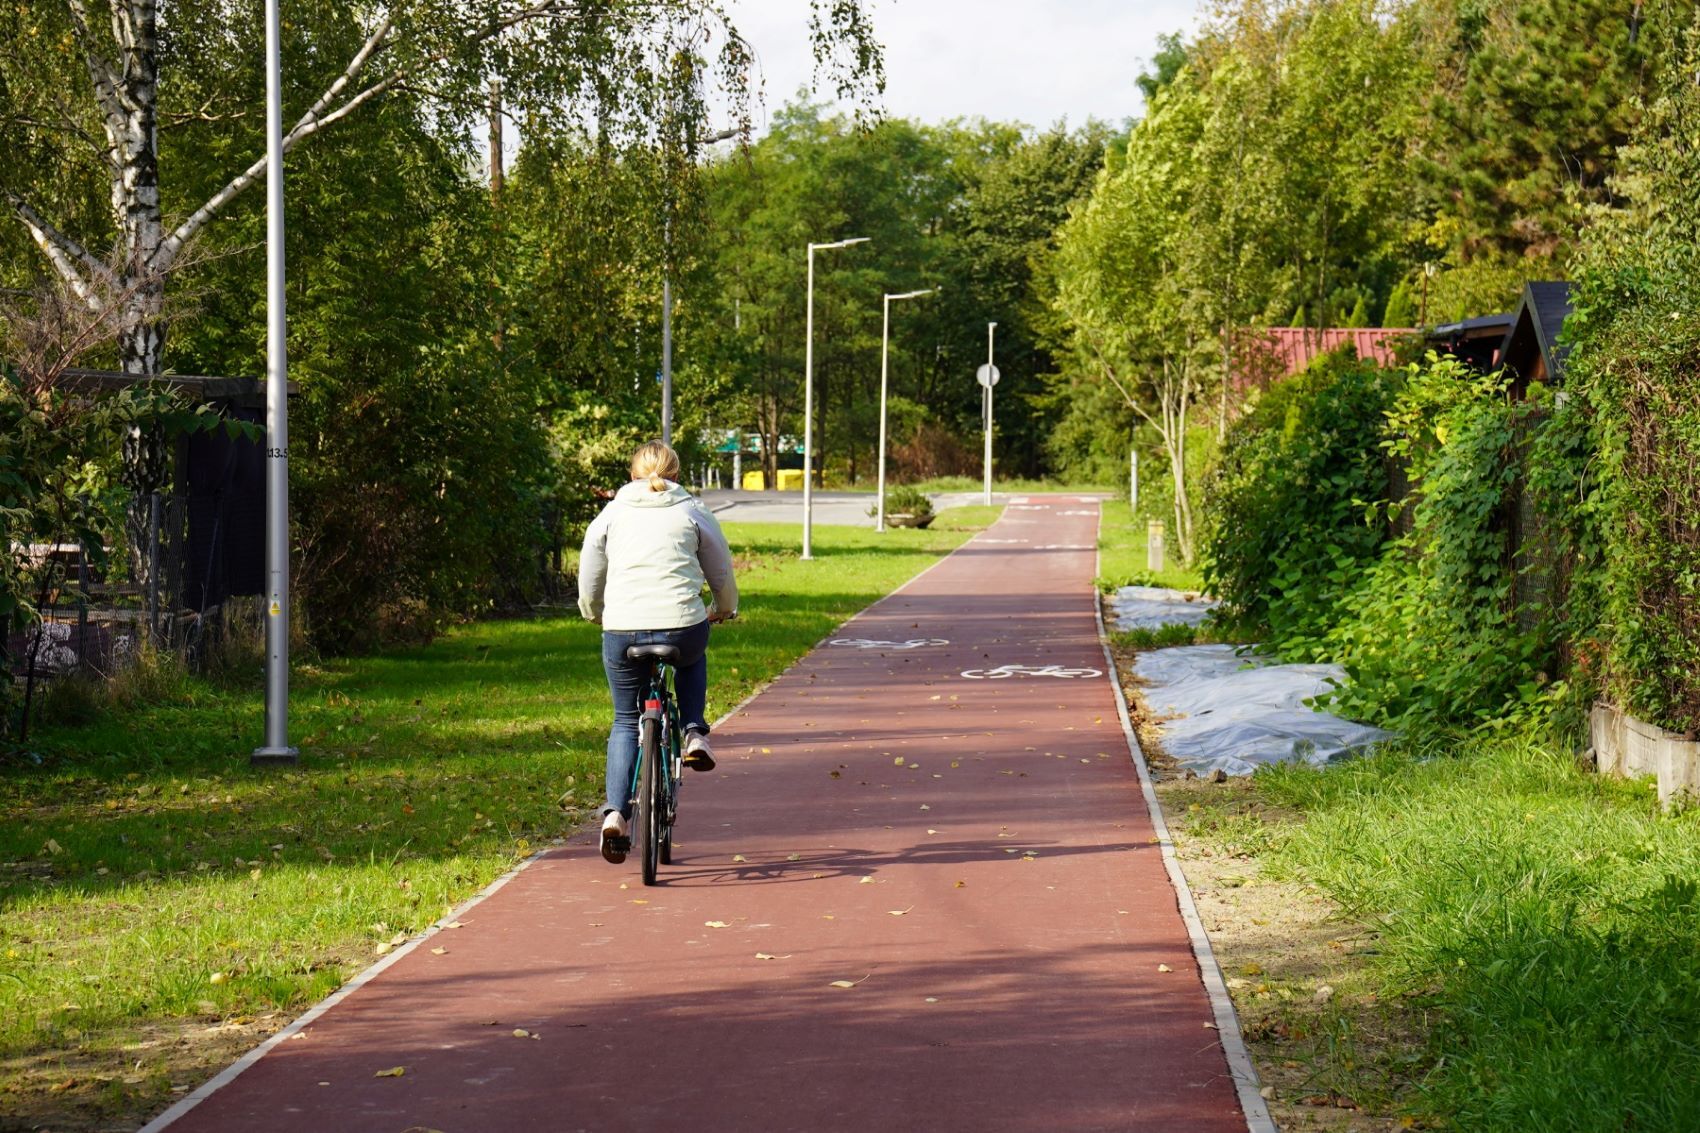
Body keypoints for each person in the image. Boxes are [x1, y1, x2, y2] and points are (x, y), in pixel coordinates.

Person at [578, 441, 738, 864]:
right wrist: (724, 609)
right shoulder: (692, 510)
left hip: (622, 629)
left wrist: (593, 612)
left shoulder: (611, 514)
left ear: (632, 475)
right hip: (681, 624)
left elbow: (591, 568)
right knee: (691, 654)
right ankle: (693, 732)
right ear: (677, 475)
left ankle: (616, 814)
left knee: (625, 719)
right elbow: (719, 568)